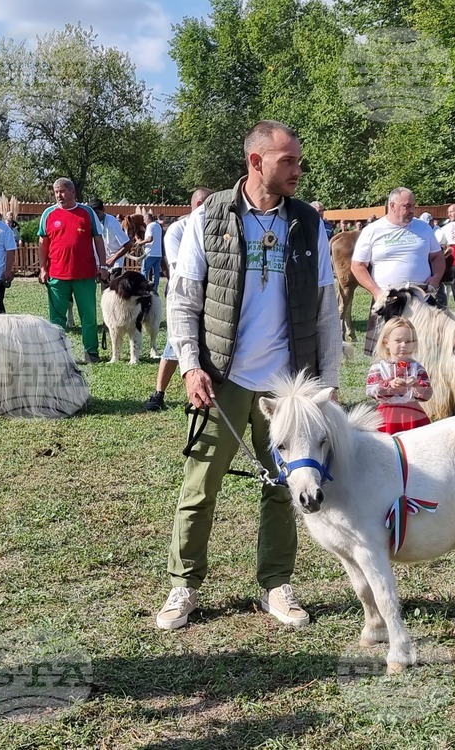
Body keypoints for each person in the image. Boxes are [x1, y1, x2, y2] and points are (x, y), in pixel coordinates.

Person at [155, 121, 341, 631]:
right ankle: (183, 585)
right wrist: (191, 365)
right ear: (256, 162)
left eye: (298, 160)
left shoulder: (307, 222)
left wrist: (327, 379)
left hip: (288, 385)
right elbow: (183, 299)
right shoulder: (210, 216)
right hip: (222, 379)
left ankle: (276, 585)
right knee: (200, 486)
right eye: (288, 161)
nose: (298, 170)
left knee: (284, 485)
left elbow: (326, 307)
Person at [350, 187, 444, 354]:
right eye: (407, 206)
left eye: (413, 206)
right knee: (386, 353)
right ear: (392, 206)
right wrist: (376, 292)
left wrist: (435, 278)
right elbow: (357, 266)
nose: (412, 210)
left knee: (426, 351)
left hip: (420, 297)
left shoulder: (424, 228)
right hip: (388, 299)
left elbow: (437, 256)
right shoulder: (372, 230)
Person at [144, 187, 212, 412]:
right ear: (199, 205)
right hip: (182, 293)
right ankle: (159, 393)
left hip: (210, 296)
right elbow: (179, 268)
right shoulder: (177, 230)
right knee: (174, 344)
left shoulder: (216, 228)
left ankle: (199, 394)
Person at [37, 177, 109, 364]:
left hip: (85, 274)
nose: (59, 196)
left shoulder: (87, 212)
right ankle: (57, 353)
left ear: (72, 192)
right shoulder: (48, 214)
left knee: (88, 316)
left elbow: (98, 239)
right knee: (57, 318)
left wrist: (103, 266)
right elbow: (43, 243)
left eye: (62, 191)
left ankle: (91, 352)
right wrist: (43, 268)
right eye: (56, 192)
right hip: (57, 275)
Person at [365, 316, 432, 434]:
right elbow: (371, 390)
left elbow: (427, 394)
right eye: (398, 341)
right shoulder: (379, 367)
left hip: (413, 414)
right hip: (387, 414)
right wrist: (389, 385)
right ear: (386, 343)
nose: (404, 345)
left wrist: (417, 384)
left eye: (408, 341)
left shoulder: (417, 368)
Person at [86, 199, 134, 270]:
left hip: (115, 263)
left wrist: (112, 259)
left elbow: (128, 244)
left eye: (97, 213)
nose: (95, 216)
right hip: (100, 263)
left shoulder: (112, 222)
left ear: (103, 209)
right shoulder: (91, 222)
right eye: (93, 214)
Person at [138, 212, 164, 291]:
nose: (144, 221)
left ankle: (144, 288)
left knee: (144, 271)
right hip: (158, 253)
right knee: (156, 273)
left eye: (144, 219)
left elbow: (150, 238)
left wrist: (140, 242)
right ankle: (155, 288)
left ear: (147, 218)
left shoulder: (149, 226)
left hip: (149, 253)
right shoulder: (158, 226)